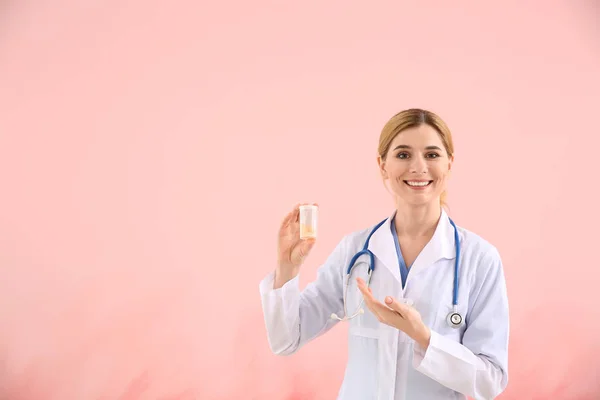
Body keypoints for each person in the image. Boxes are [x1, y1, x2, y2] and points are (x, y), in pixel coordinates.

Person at [258, 108, 509, 400]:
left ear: (450, 164)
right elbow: (286, 340)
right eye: (403, 155)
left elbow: (490, 381)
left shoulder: (479, 260)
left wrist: (423, 337)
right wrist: (287, 268)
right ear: (382, 165)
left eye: (432, 155)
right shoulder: (355, 252)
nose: (418, 167)